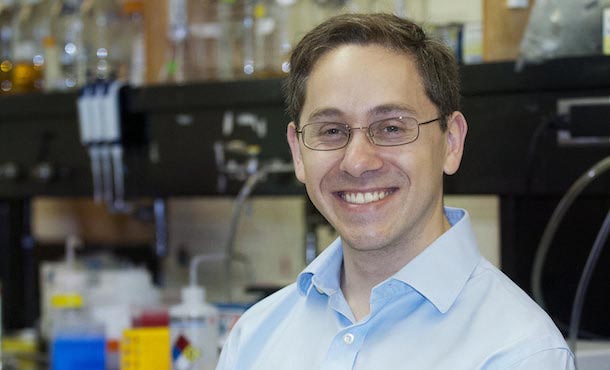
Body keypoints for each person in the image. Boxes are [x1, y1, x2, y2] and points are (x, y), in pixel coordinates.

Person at [216, 13, 575, 370]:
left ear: (451, 142)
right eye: (331, 131)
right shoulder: (253, 340)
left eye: (390, 128)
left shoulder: (520, 353)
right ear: (298, 152)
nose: (356, 162)